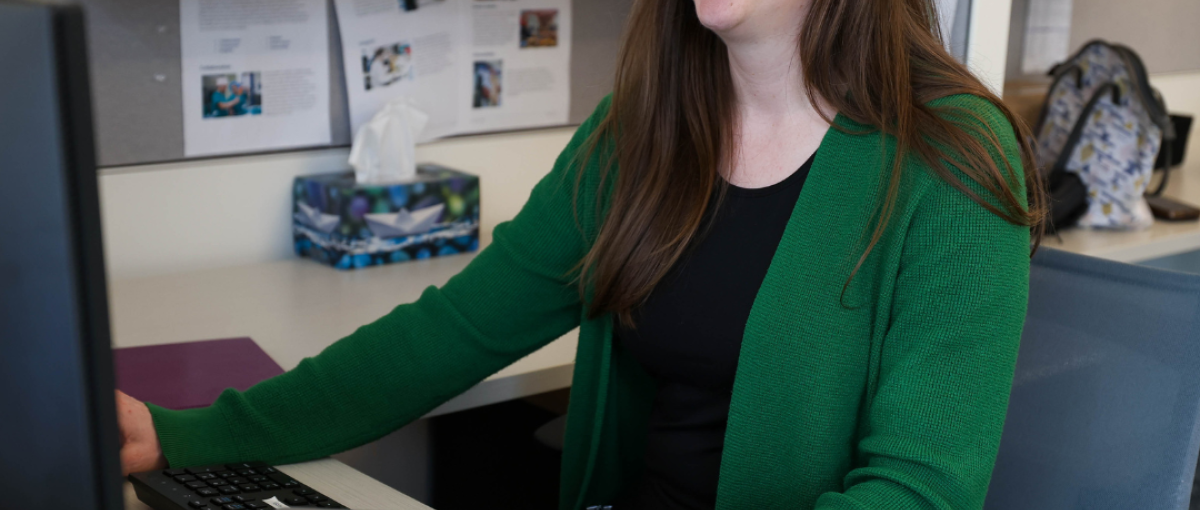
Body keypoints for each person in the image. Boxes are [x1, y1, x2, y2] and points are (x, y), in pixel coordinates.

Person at [118, 0, 1045, 508]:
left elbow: (920, 491)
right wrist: (192, 433)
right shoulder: (644, 133)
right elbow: (451, 332)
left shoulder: (947, 155)